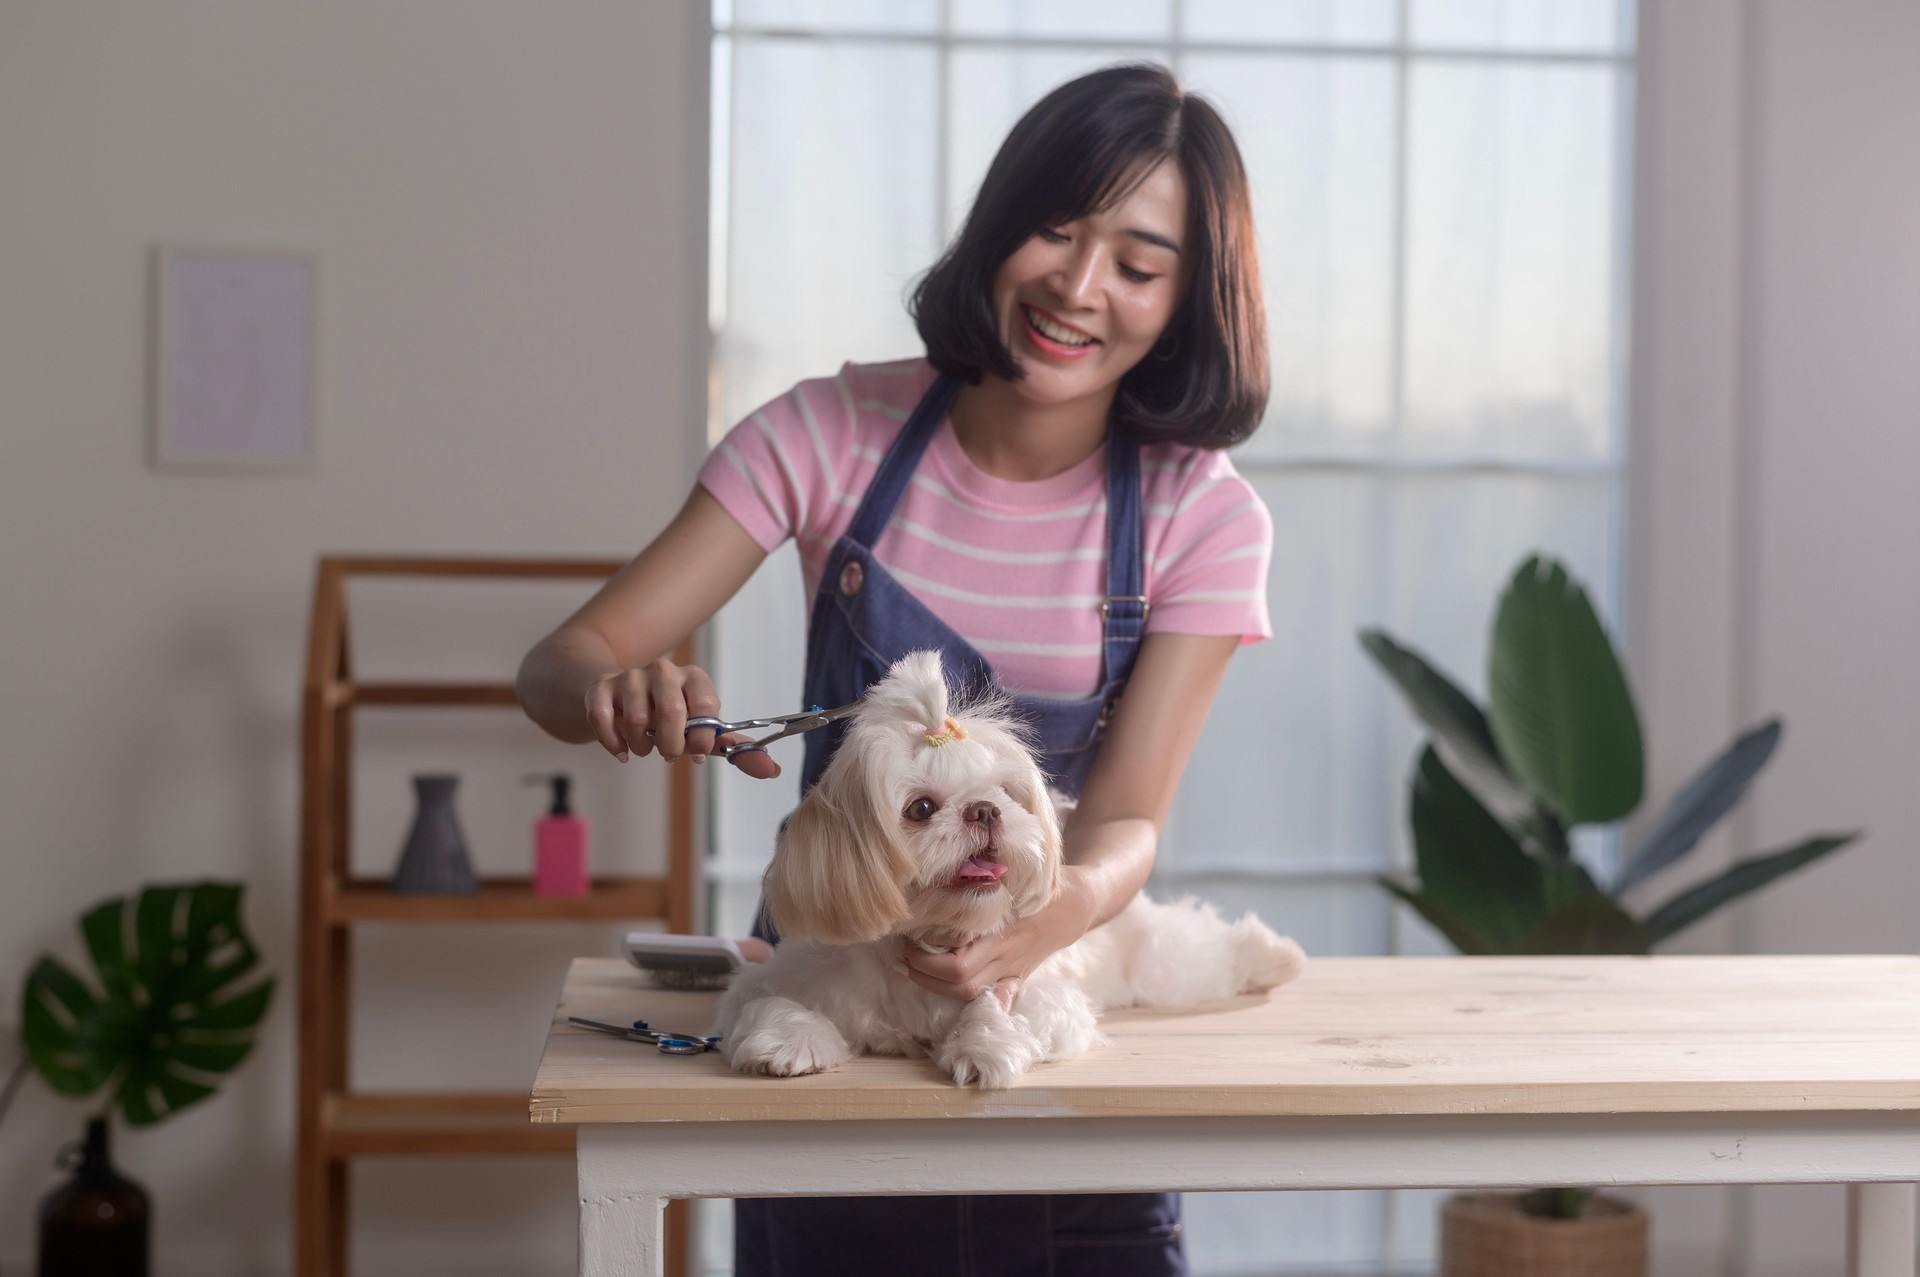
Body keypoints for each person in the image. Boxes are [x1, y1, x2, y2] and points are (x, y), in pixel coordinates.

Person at [519, 62, 1270, 1277]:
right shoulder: (831, 432)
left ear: (1188, 298)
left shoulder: (1201, 513)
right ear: (996, 224)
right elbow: (561, 662)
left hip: (1045, 1037)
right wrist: (617, 690)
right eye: (1056, 230)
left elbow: (1126, 815)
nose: (1079, 289)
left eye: (1136, 264)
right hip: (827, 1039)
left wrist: (1036, 935)